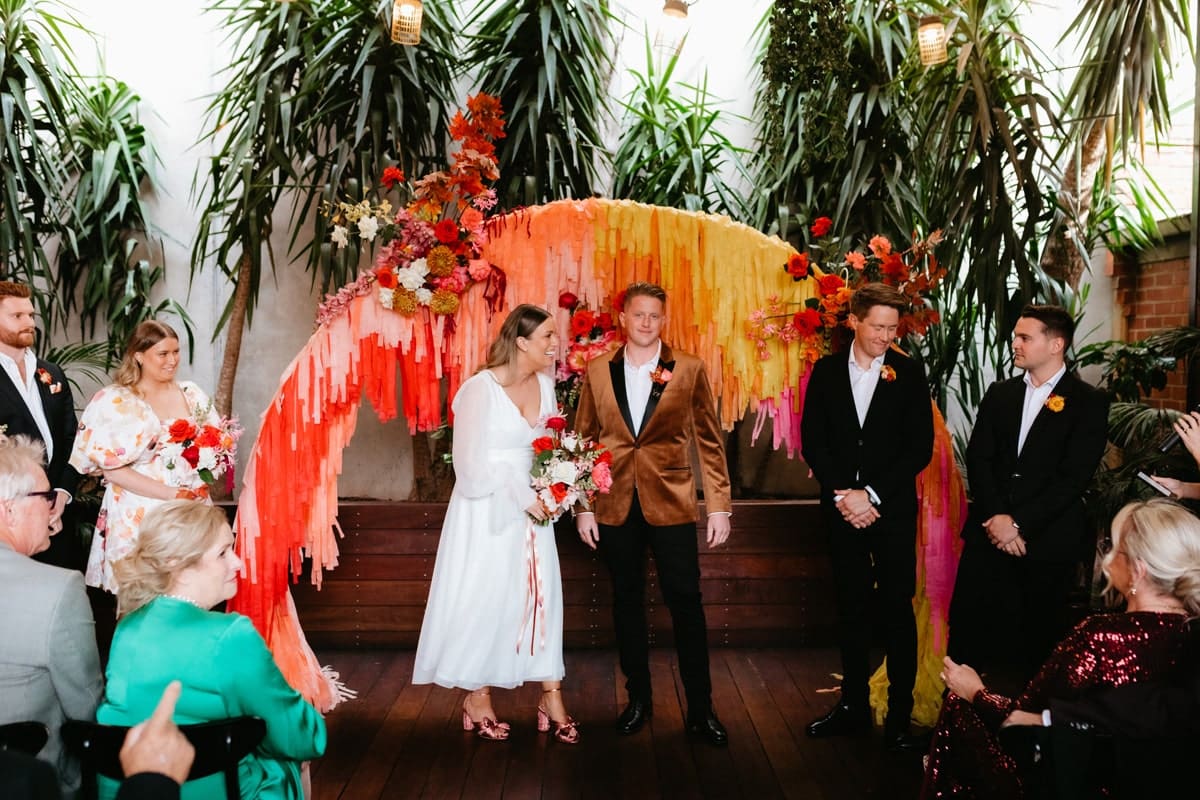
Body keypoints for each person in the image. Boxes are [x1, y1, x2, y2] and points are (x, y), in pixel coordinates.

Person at [922, 498, 1200, 799]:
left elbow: (1023, 720)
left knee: (958, 706)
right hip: (1166, 782)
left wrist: (975, 691)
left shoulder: (1101, 637)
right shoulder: (1191, 634)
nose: (1107, 557)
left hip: (1083, 780)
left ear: (1138, 572)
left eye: (1114, 547)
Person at [574, 282, 733, 746]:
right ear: (623, 317)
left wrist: (718, 505)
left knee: (686, 602)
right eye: (638, 315)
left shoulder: (686, 369)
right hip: (614, 504)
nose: (646, 324)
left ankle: (701, 710)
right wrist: (584, 506)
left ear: (664, 320)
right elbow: (583, 440)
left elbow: (708, 440)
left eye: (655, 317)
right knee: (626, 602)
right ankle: (638, 700)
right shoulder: (598, 370)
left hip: (672, 502)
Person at [412, 304, 578, 743]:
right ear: (521, 342)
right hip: (486, 515)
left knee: (540, 599)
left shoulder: (546, 385)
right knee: (487, 598)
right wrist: (522, 493)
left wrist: (558, 489)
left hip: (534, 516)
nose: (554, 344)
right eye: (546, 336)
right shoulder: (478, 390)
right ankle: (477, 697)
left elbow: (550, 451)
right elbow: (467, 471)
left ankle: (551, 694)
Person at [95, 501, 326, 799]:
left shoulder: (128, 627)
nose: (238, 562)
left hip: (125, 788)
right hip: (210, 789)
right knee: (292, 759)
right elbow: (301, 736)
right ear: (179, 566)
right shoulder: (230, 636)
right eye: (222, 553)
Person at [800, 282, 935, 751]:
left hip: (891, 512)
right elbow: (813, 440)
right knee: (850, 607)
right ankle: (853, 706)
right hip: (842, 511)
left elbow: (919, 448)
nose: (884, 336)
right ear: (853, 322)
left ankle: (898, 717)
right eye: (877, 326)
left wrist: (871, 495)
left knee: (896, 609)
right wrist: (845, 496)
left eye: (892, 328)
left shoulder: (909, 373)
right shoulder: (826, 371)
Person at [947, 304, 1109, 686]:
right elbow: (979, 458)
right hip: (989, 536)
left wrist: (1020, 524)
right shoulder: (1000, 394)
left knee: (1035, 645)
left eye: (1024, 337)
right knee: (968, 634)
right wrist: (999, 518)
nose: (1014, 343)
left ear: (1056, 344)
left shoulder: (1089, 402)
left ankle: (1026, 736)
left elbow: (1074, 478)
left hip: (1045, 543)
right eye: (1015, 335)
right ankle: (955, 731)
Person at [70, 320, 218, 594]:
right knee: (141, 598)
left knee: (191, 594)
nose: (172, 360)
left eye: (176, 352)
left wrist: (204, 477)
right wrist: (171, 493)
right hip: (139, 514)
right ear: (138, 356)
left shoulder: (193, 394)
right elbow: (112, 471)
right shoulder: (115, 400)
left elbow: (215, 447)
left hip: (190, 511)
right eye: (163, 354)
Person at [0, 433, 104, 797]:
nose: (53, 508)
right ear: (9, 509)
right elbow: (88, 708)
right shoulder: (57, 590)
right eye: (45, 497)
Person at [0, 280, 81, 570]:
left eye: (30, 315)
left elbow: (72, 439)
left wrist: (61, 495)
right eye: (17, 316)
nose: (28, 322)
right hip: (10, 518)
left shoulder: (52, 373)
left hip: (58, 514)